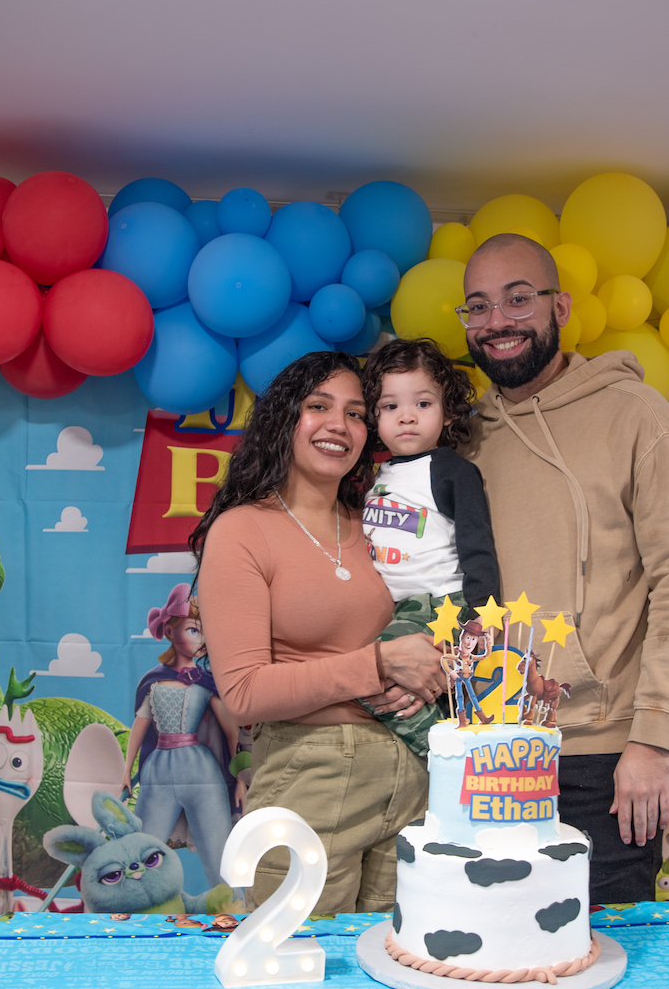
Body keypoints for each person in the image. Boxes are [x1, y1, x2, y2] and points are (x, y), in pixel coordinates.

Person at [457, 232, 669, 903]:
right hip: (488, 757)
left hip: (606, 760)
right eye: (478, 306)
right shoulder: (461, 438)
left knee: (608, 956)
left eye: (518, 299)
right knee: (493, 951)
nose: (497, 321)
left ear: (561, 306)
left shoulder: (636, 417)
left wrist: (653, 742)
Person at [192, 351, 449, 913]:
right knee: (301, 959)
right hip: (311, 775)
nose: (339, 424)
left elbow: (432, 617)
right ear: (285, 418)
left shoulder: (378, 523)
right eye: (318, 406)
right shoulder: (242, 530)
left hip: (412, 775)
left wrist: (435, 670)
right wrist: (378, 665)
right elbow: (243, 694)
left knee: (397, 959)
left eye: (356, 413)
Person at [357, 337, 501, 757]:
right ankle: (453, 743)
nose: (407, 417)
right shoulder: (375, 476)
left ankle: (449, 759)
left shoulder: (453, 472)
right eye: (390, 406)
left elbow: (478, 545)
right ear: (373, 416)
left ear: (448, 410)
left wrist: (484, 615)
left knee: (370, 679)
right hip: (399, 608)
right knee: (385, 683)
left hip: (440, 605)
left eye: (423, 404)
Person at [124, 583, 240, 889]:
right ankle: (139, 907)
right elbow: (141, 725)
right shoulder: (153, 681)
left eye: (203, 632)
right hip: (159, 770)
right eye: (192, 630)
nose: (200, 640)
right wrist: (126, 770)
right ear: (169, 632)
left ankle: (233, 906)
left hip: (201, 770)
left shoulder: (206, 682)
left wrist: (241, 778)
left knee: (218, 849)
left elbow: (231, 732)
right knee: (143, 846)